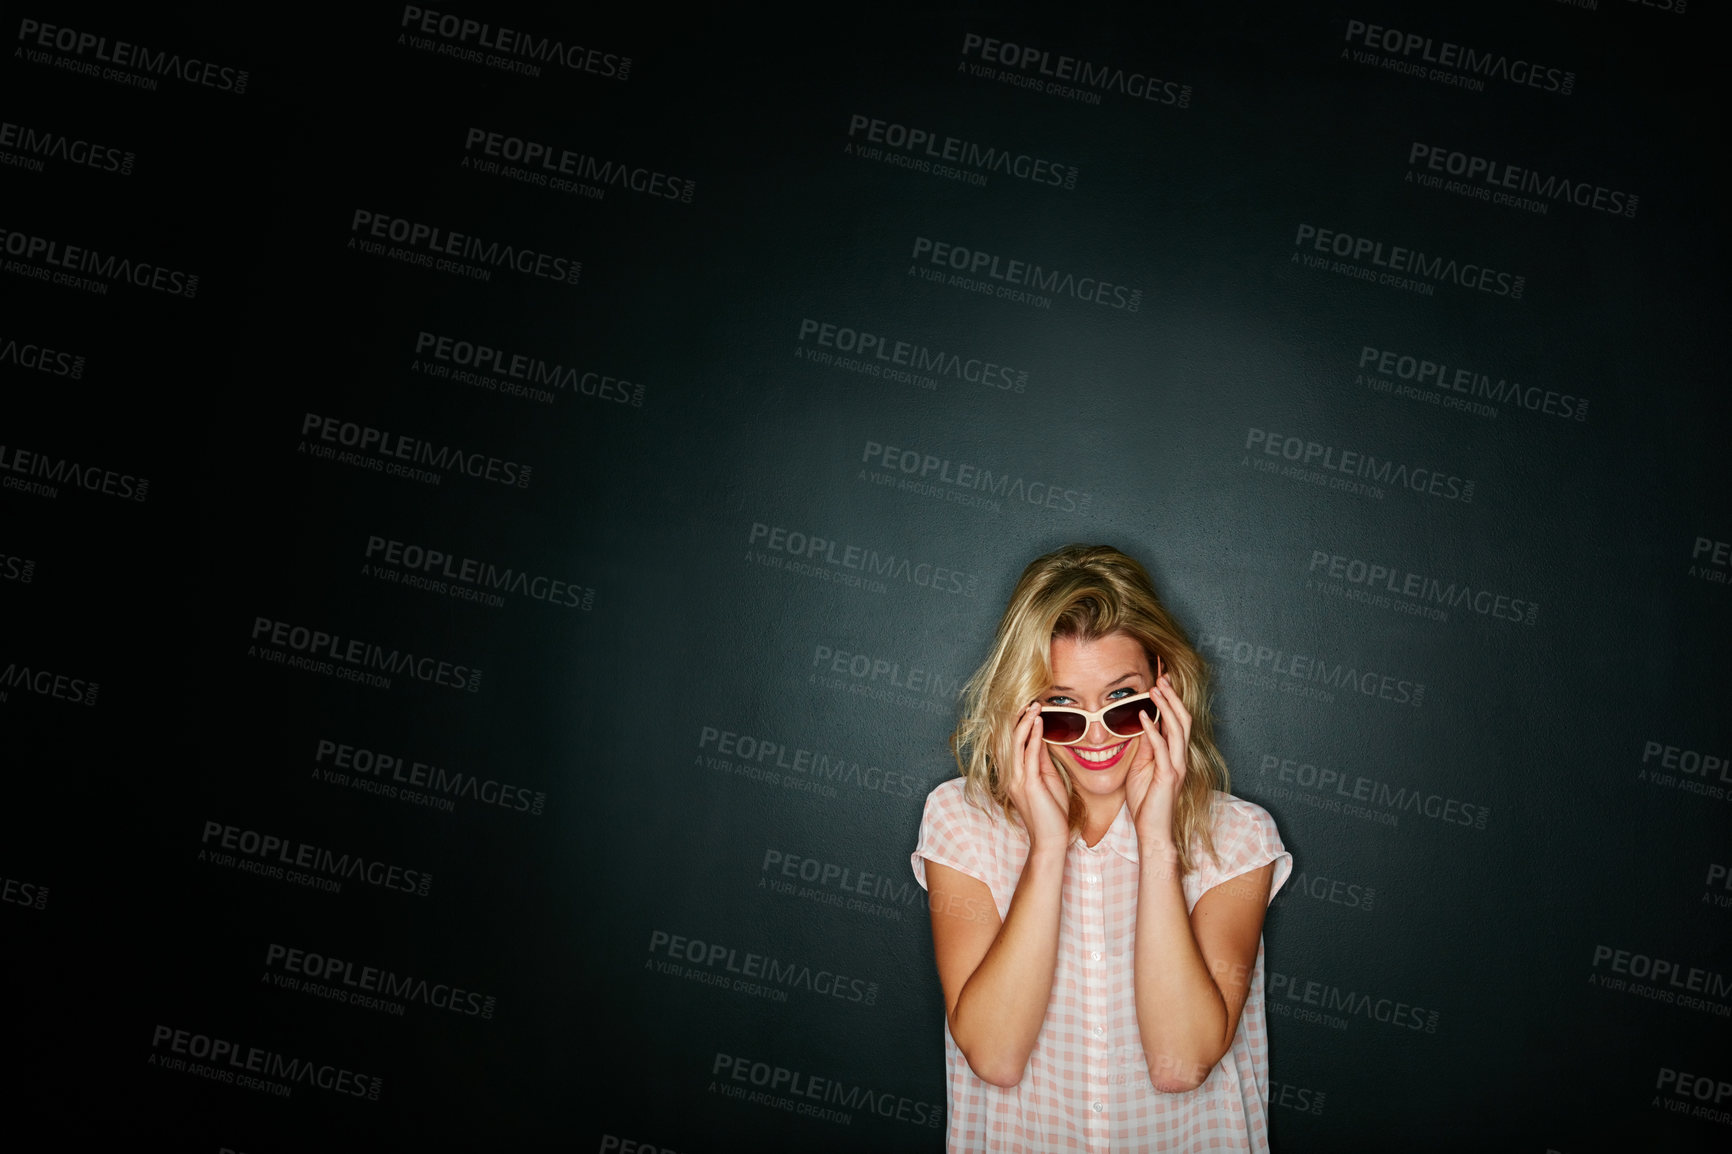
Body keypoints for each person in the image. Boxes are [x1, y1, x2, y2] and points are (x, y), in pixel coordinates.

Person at [911, 544, 1291, 1152]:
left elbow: (1181, 1063)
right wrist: (1048, 850)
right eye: (1062, 709)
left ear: (1164, 690)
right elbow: (996, 1056)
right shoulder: (962, 822)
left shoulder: (1238, 838)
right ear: (1023, 709)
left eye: (1123, 703)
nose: (1095, 737)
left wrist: (1156, 842)